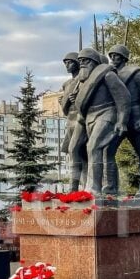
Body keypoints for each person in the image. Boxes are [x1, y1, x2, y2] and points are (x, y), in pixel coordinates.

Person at [74, 48, 130, 195]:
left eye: (85, 61)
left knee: (93, 147)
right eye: (80, 61)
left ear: (94, 62)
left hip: (107, 113)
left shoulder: (108, 75)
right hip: (90, 117)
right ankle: (95, 186)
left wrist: (122, 121)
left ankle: (94, 188)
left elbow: (123, 98)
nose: (82, 64)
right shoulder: (84, 82)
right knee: (90, 148)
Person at [107, 44, 140, 196]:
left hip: (135, 115)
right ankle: (111, 187)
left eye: (116, 55)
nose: (113, 58)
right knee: (108, 151)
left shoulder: (136, 74)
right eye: (111, 55)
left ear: (123, 57)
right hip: (118, 116)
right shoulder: (111, 74)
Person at [59, 52, 88, 191]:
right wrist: (63, 102)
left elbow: (87, 102)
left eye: (70, 62)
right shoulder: (66, 85)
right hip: (69, 120)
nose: (67, 65)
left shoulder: (84, 80)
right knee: (78, 156)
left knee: (76, 151)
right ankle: (84, 187)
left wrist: (77, 100)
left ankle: (74, 189)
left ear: (77, 63)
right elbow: (65, 111)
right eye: (65, 63)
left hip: (80, 120)